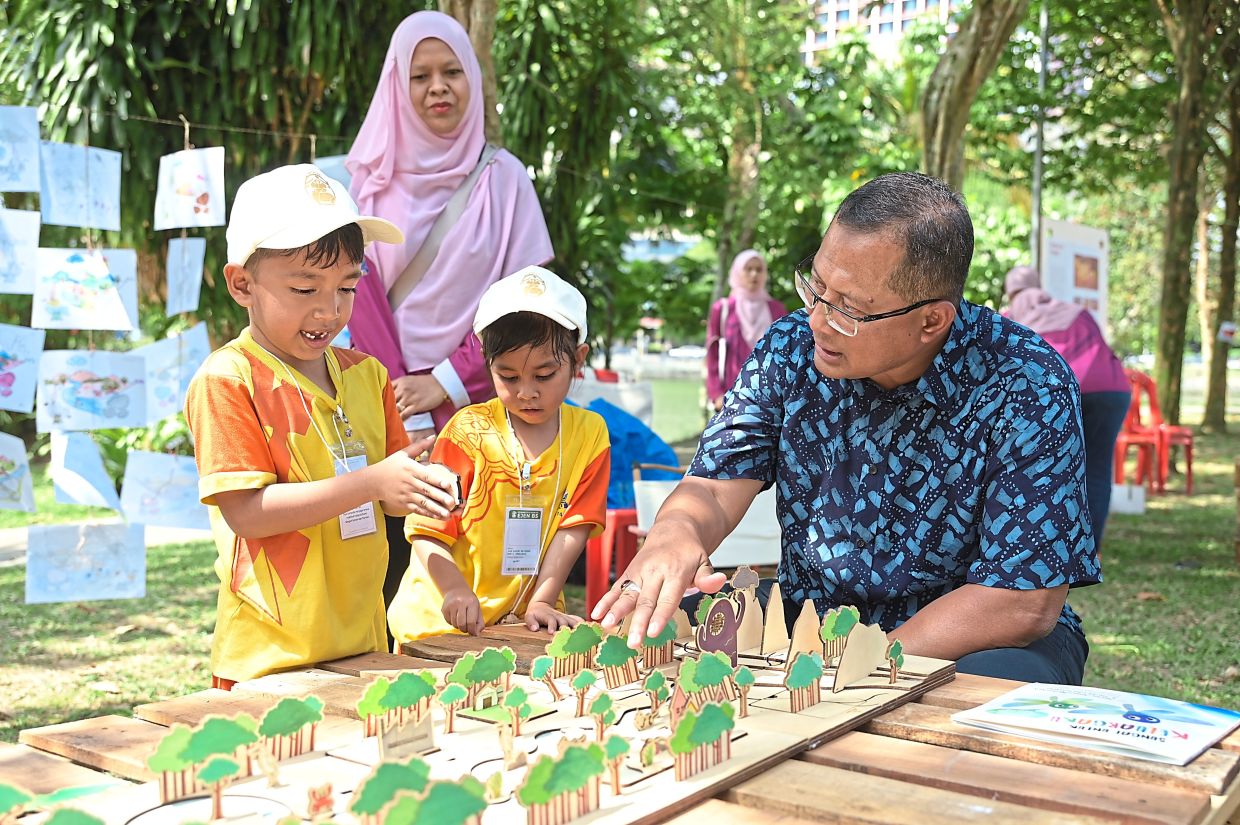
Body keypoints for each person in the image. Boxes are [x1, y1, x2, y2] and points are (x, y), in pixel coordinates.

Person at [593, 172, 1102, 685]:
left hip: (967, 636)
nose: (816, 319)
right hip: (813, 617)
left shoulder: (1025, 380)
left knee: (993, 689)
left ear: (931, 321)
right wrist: (674, 532)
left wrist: (860, 667)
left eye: (849, 309)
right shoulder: (791, 347)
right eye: (816, 288)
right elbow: (714, 485)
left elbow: (1022, 602)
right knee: (668, 640)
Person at [185, 164, 460, 687]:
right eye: (305, 288)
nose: (329, 311)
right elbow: (246, 513)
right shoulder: (228, 379)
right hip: (269, 656)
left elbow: (391, 500)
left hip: (363, 639)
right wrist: (373, 481)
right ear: (242, 284)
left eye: (346, 288)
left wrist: (425, 487)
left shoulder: (368, 374)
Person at [345, 10, 554, 612]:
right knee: (387, 572)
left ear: (474, 80)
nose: (438, 87)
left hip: (483, 403)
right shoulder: (371, 182)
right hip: (383, 408)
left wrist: (442, 382)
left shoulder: (506, 180)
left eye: (452, 72)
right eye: (420, 75)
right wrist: (398, 395)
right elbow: (359, 297)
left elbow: (523, 305)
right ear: (397, 86)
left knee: (481, 580)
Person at [387, 266, 610, 643]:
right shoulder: (467, 430)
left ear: (579, 358)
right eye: (508, 377)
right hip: (437, 627)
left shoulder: (590, 434)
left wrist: (541, 599)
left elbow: (575, 528)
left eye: (544, 375)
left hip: (524, 625)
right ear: (488, 365)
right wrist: (455, 591)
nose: (526, 392)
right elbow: (427, 530)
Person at [1002, 265, 1130, 545]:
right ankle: (1091, 549)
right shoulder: (1077, 312)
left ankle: (1052, 543)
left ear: (1010, 292)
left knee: (1050, 469)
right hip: (1112, 391)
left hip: (1060, 394)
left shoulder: (1010, 319)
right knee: (1097, 468)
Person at [705, 250, 787, 411]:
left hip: (770, 400)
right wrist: (716, 394)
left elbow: (787, 355)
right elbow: (712, 356)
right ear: (737, 272)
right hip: (731, 399)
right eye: (748, 269)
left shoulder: (777, 310)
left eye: (759, 269)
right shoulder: (723, 309)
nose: (754, 274)